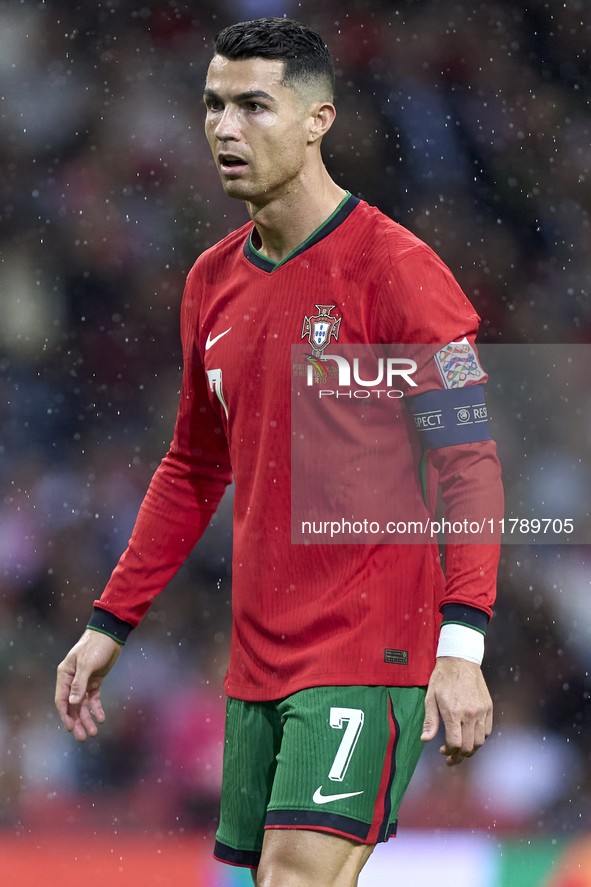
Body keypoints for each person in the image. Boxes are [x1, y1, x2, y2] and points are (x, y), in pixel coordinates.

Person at [55, 17, 503, 887]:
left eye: (254, 105)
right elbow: (192, 468)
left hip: (370, 646)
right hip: (259, 659)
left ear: (317, 119)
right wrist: (112, 620)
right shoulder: (210, 283)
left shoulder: (396, 269)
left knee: (297, 878)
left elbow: (468, 462)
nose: (226, 127)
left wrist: (463, 644)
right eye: (213, 105)